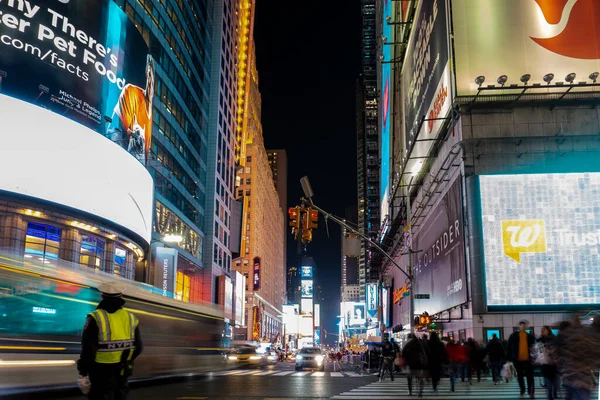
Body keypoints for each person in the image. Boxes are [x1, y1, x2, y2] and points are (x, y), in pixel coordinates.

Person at [77, 283, 143, 400]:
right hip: (123, 370)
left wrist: (83, 372)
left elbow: (88, 350)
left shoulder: (95, 317)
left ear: (102, 296)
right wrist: (126, 360)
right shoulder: (131, 317)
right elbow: (139, 347)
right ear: (121, 296)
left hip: (99, 372)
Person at [106, 55, 155, 164]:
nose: (152, 84)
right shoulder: (131, 91)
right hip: (118, 162)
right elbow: (113, 131)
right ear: (147, 73)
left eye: (154, 79)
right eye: (150, 75)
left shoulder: (150, 117)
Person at [507, 319, 536, 398]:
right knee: (520, 377)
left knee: (530, 377)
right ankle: (522, 390)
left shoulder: (530, 337)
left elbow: (534, 348)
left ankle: (531, 392)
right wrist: (508, 358)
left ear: (526, 327)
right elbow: (509, 347)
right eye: (521, 325)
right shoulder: (513, 336)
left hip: (528, 360)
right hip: (517, 360)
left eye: (524, 325)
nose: (523, 327)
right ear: (519, 326)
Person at [538, 326, 558, 400]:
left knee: (552, 379)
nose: (542, 331)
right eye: (542, 330)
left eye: (544, 330)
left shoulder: (551, 338)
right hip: (548, 362)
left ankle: (552, 394)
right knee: (550, 379)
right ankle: (551, 395)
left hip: (551, 362)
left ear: (548, 330)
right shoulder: (542, 339)